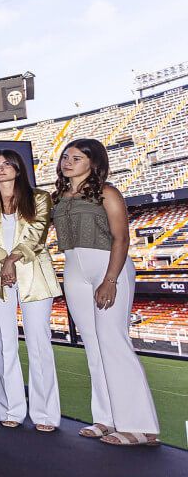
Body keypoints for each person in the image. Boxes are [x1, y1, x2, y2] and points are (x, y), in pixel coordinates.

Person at [53, 139, 159, 446]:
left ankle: (140, 426)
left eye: (77, 157)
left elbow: (121, 237)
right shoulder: (60, 195)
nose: (68, 161)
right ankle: (106, 418)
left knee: (114, 342)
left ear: (93, 163)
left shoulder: (108, 192)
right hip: (74, 268)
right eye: (65, 156)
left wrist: (110, 279)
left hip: (108, 268)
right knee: (94, 347)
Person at [0, 150, 61, 432]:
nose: (0, 169)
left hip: (34, 275)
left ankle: (45, 414)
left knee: (39, 343)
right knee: (4, 343)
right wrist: (3, 262)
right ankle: (10, 408)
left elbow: (37, 235)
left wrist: (12, 260)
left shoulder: (40, 198)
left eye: (6, 164)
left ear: (19, 169)